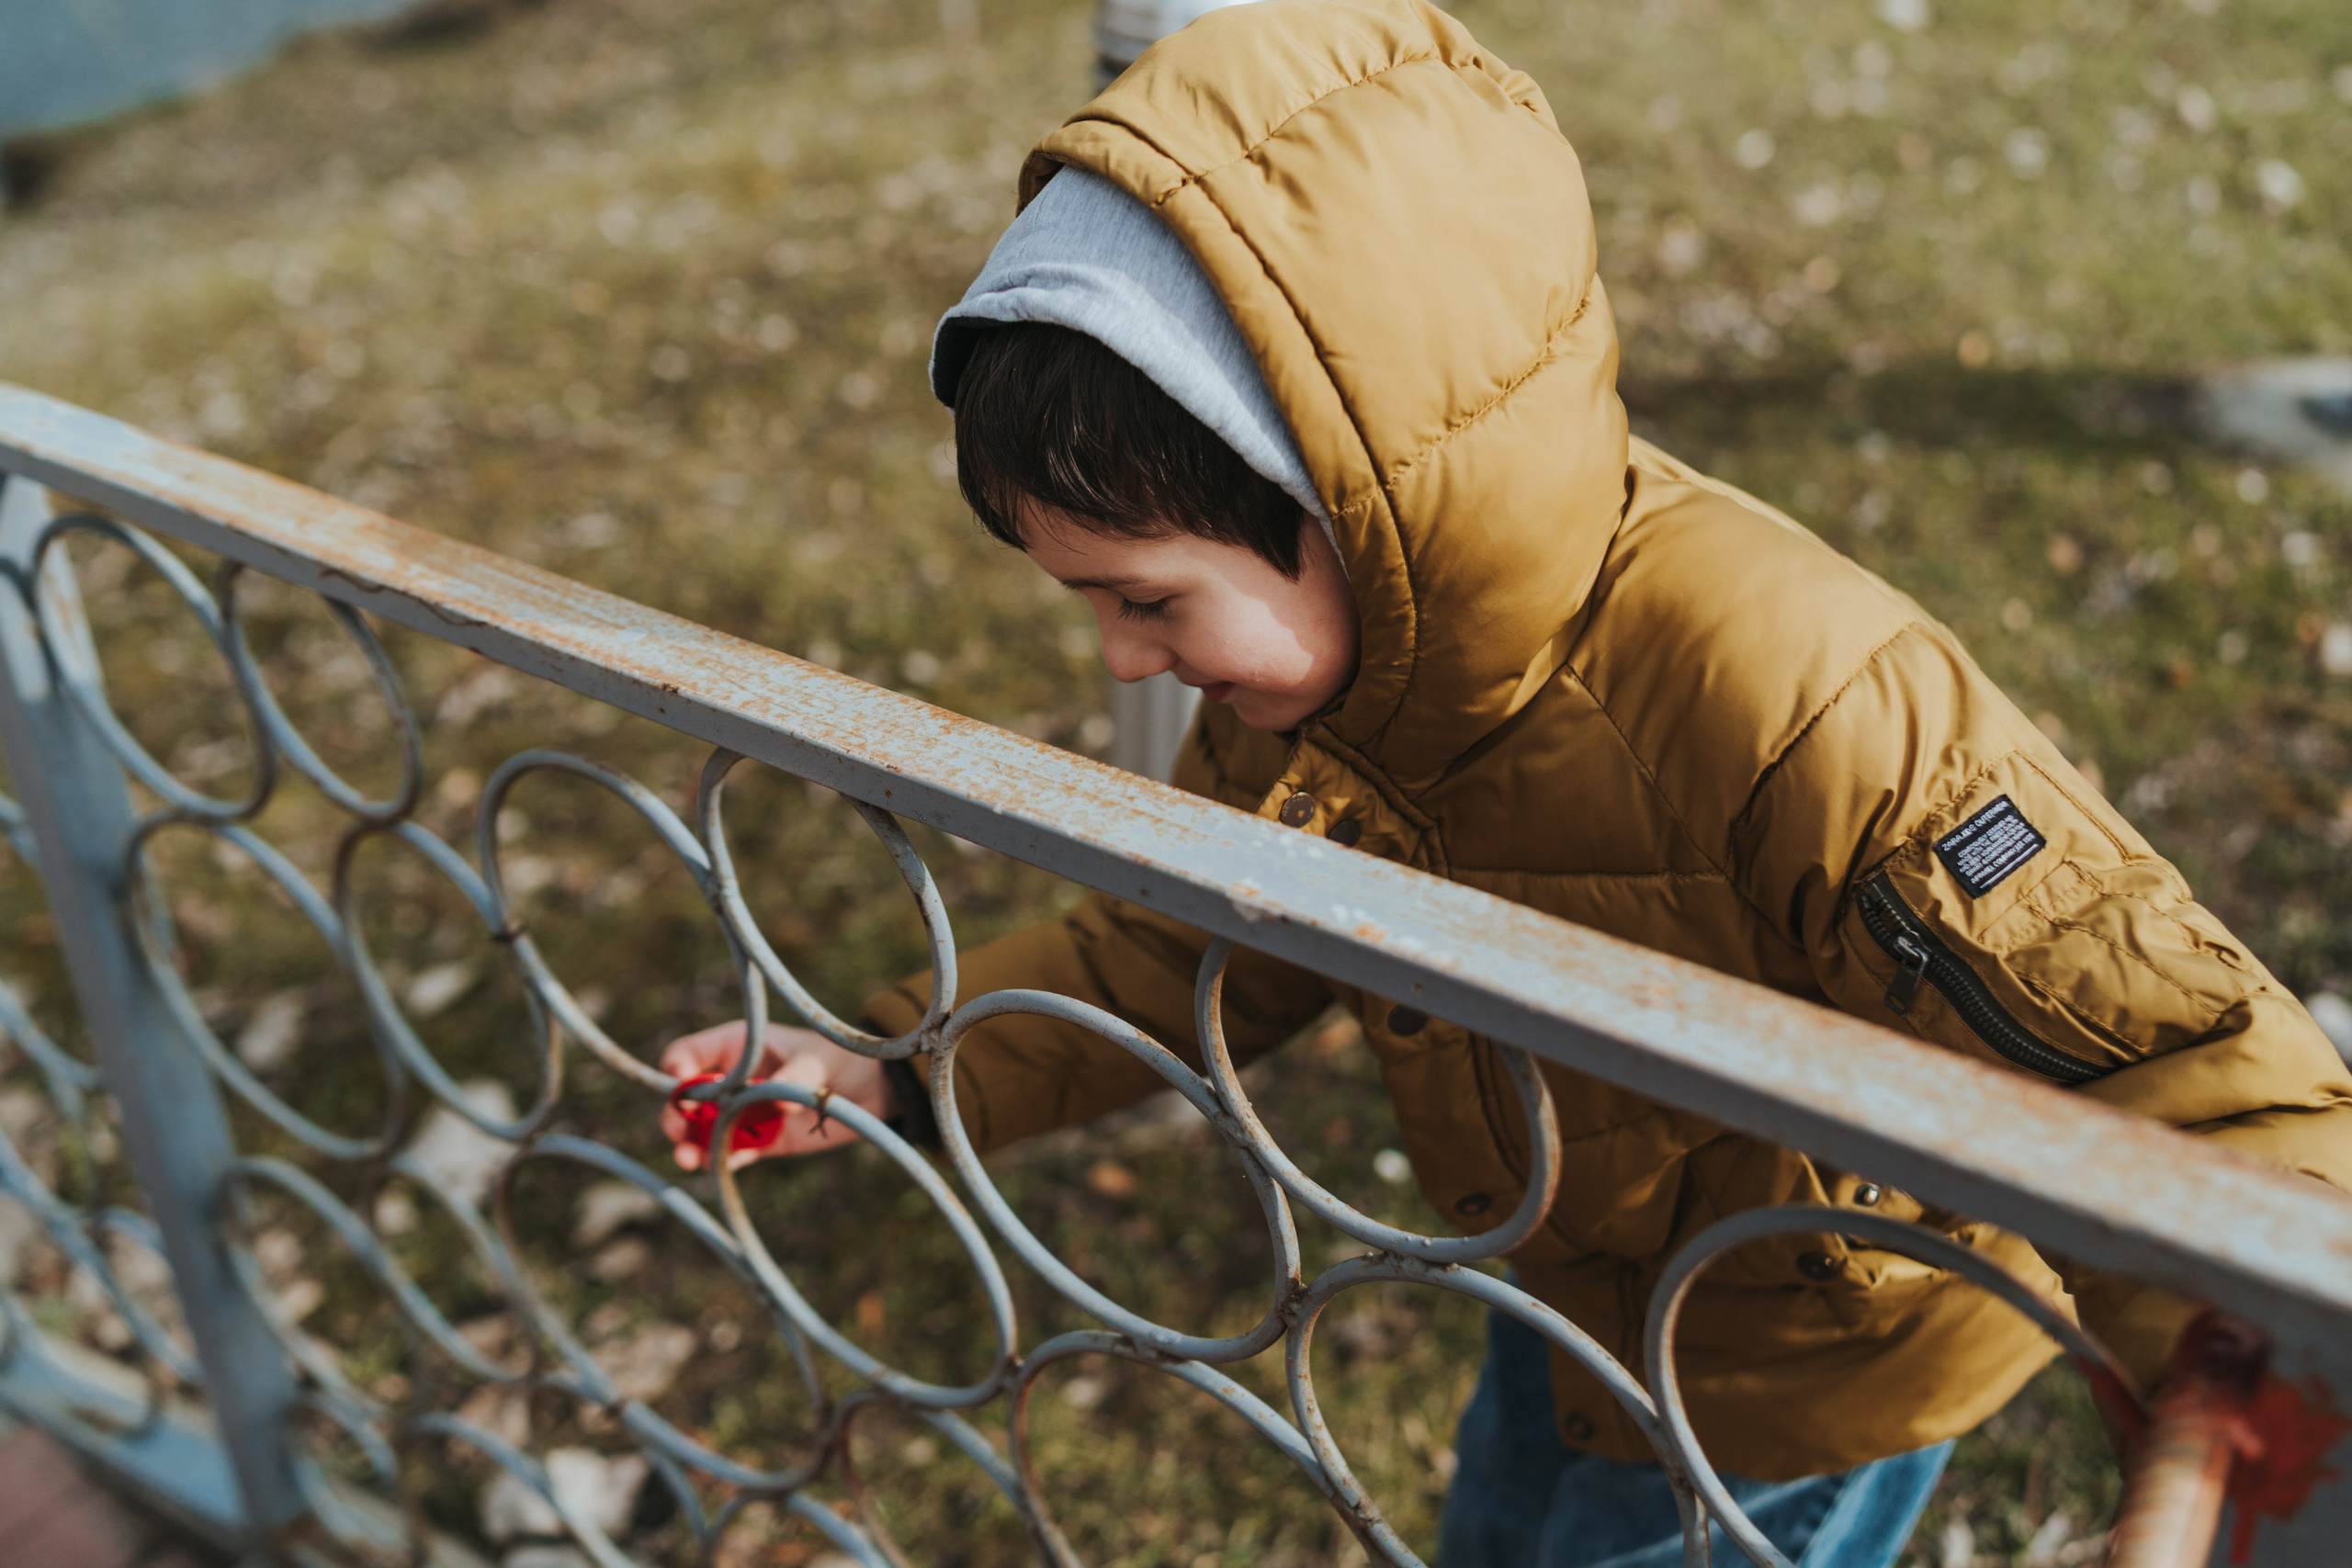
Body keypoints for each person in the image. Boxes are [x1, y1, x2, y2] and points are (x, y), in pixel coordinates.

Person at [657, 0, 2352, 1561]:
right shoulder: (1334, 687)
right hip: (1564, 1294)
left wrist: (2273, 1347)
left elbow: (2171, 1058)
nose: (1117, 659)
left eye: (1143, 599)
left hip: (1799, 1370)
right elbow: (1187, 948)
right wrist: (893, 1067)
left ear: (1345, 503)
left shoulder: (1791, 688)